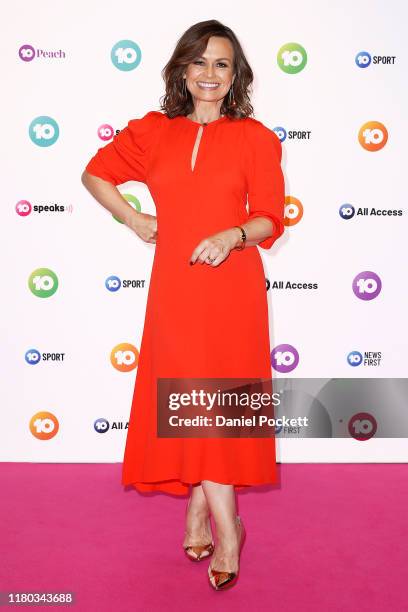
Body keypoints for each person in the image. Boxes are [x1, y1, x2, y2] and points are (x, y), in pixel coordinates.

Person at [81, 19, 285, 591]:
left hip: (231, 288)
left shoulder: (256, 138)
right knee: (186, 395)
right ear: (182, 70)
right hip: (175, 287)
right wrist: (134, 216)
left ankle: (225, 525)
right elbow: (95, 174)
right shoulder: (154, 132)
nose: (210, 75)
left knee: (217, 403)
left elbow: (271, 214)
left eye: (222, 64)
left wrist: (233, 236)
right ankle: (207, 513)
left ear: (235, 74)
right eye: (200, 63)